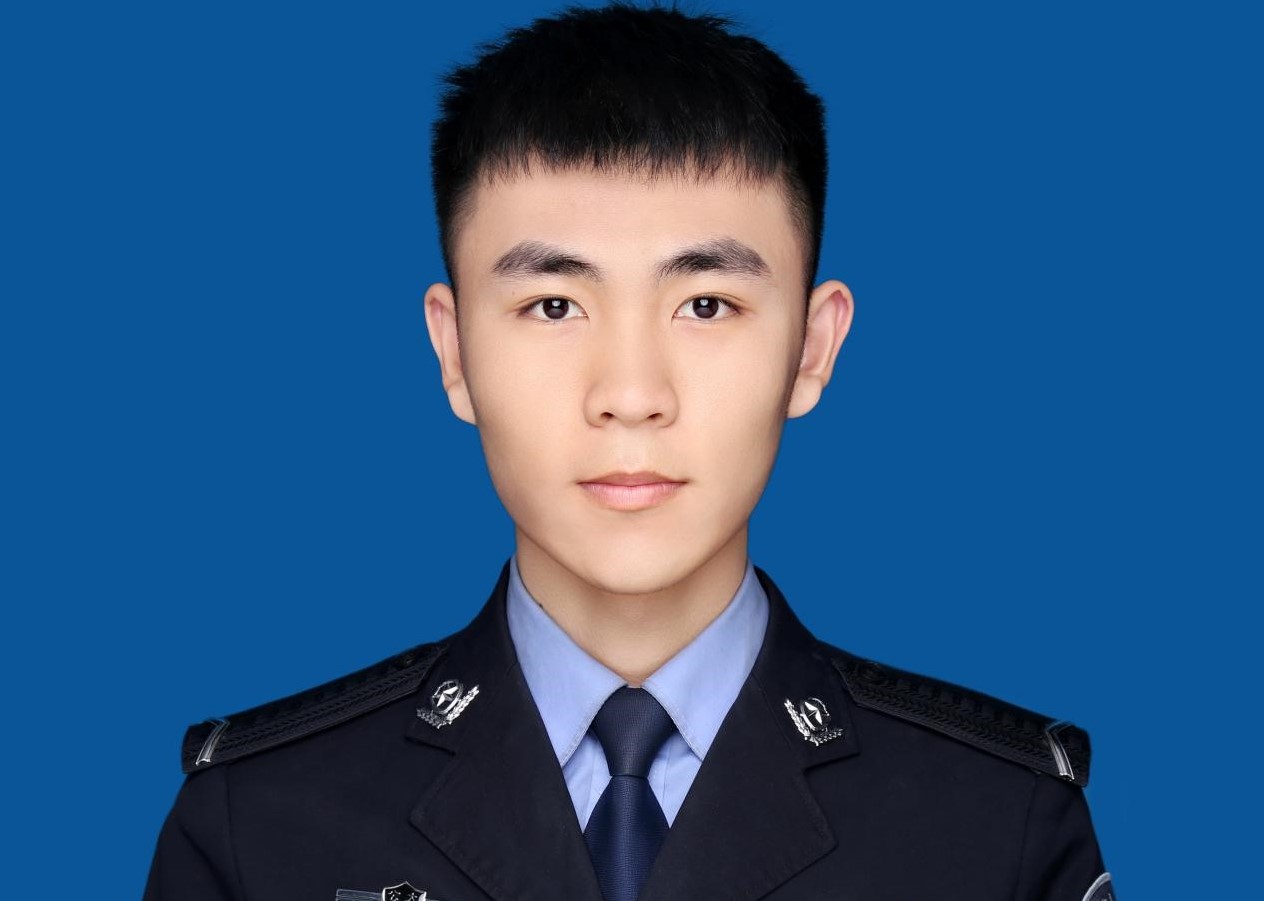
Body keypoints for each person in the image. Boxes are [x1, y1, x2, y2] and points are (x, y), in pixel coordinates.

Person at [143, 3, 1113, 900]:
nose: (632, 394)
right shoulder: (259, 827)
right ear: (455, 351)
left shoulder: (998, 827)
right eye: (553, 305)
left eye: (706, 305)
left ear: (812, 349)